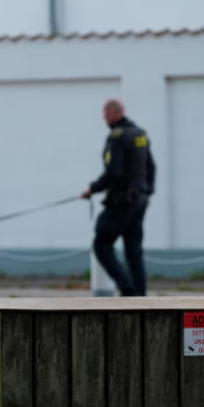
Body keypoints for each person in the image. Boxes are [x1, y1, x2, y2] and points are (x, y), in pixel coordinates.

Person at [81, 99, 156, 296]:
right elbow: (151, 168)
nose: (105, 120)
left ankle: (128, 289)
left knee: (101, 244)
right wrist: (147, 193)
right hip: (139, 202)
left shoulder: (117, 137)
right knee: (134, 251)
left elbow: (113, 173)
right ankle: (140, 295)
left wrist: (92, 189)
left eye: (106, 115)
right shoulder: (139, 134)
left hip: (121, 202)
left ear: (114, 113)